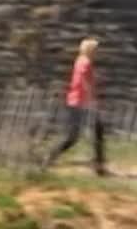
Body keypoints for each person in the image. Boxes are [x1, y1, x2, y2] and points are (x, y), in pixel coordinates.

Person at [43, 37, 107, 175]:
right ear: (90, 50)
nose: (97, 52)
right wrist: (91, 99)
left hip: (79, 102)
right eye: (96, 49)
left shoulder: (80, 61)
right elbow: (84, 80)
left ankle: (99, 164)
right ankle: (51, 156)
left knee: (96, 130)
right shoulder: (85, 62)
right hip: (80, 103)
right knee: (74, 136)